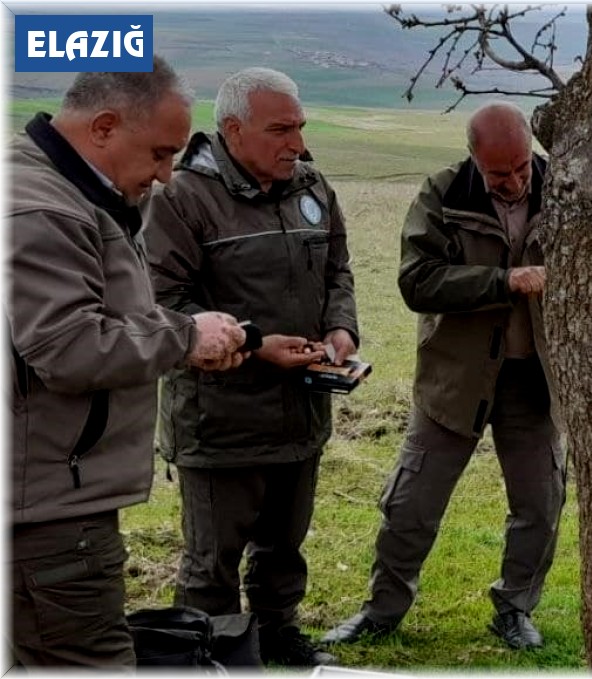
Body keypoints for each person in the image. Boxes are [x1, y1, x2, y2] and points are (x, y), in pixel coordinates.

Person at [7, 56, 248, 668]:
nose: (168, 176)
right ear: (105, 127)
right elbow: (67, 346)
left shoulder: (79, 193)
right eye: (161, 153)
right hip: (49, 510)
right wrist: (185, 338)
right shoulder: (45, 209)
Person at [323, 101, 565, 651]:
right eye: (499, 173)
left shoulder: (562, 187)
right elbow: (418, 282)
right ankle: (382, 612)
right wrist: (505, 281)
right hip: (455, 378)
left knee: (541, 503)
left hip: (535, 378)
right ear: (473, 157)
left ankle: (515, 609)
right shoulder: (443, 194)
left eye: (522, 167)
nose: (514, 181)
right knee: (412, 502)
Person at [143, 67, 358, 668]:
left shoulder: (310, 185)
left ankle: (278, 635)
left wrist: (341, 328)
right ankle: (211, 653)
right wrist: (257, 342)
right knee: (212, 562)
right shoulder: (182, 199)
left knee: (283, 548)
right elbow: (162, 306)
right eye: (281, 129)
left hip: (300, 413)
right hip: (220, 422)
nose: (297, 143)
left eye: (300, 127)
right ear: (233, 131)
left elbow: (338, 268)